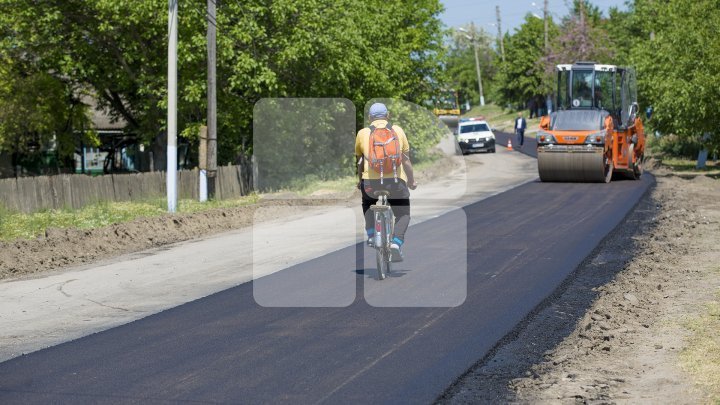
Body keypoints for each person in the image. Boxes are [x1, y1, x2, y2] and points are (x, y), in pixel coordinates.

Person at [355, 103, 417, 262]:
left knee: (367, 202)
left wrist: (360, 180)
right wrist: (411, 180)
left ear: (369, 118)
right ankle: (396, 242)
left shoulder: (363, 133)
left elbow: (360, 161)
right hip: (396, 182)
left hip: (371, 182)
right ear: (387, 115)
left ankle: (370, 233)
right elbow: (406, 161)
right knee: (403, 213)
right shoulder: (397, 130)